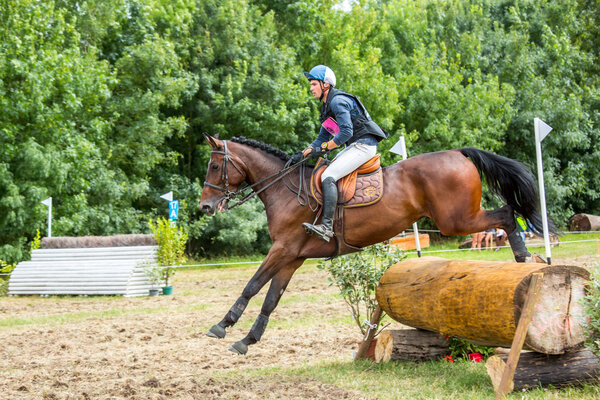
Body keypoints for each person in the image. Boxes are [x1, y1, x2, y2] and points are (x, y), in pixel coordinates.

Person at [292, 65, 388, 242]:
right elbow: (323, 137)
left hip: (364, 146)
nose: (311, 88)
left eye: (314, 84)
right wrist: (302, 154)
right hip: (355, 146)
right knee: (326, 169)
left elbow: (346, 133)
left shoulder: (337, 102)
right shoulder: (327, 106)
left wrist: (323, 148)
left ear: (325, 85)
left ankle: (327, 227)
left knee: (328, 175)